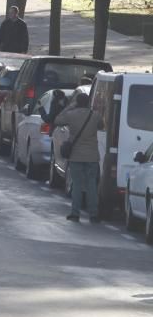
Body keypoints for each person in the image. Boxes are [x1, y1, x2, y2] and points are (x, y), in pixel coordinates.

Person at [55, 91, 101, 223]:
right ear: (88, 103)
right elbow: (102, 125)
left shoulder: (71, 115)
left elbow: (57, 120)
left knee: (77, 185)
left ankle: (75, 213)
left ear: (77, 102)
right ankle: (93, 214)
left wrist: (70, 106)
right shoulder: (95, 115)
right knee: (92, 185)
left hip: (75, 156)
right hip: (92, 156)